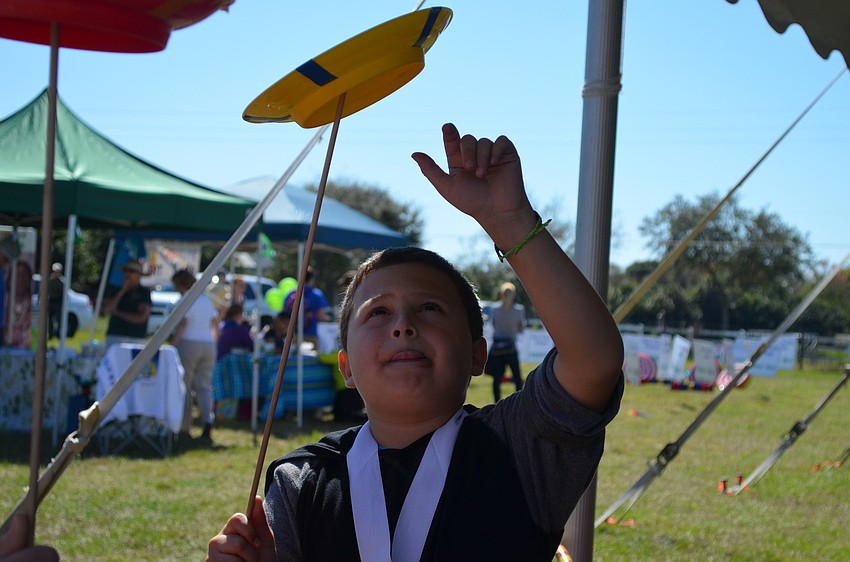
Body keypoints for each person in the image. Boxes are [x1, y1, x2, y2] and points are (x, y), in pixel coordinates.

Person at [207, 124, 624, 562]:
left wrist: (510, 221)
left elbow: (593, 361)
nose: (403, 326)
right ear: (345, 365)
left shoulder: (518, 448)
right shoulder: (301, 481)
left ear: (477, 354)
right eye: (378, 312)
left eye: (429, 309)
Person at [171, 269, 219, 443]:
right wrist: (213, 343)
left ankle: (185, 426)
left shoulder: (186, 299)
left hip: (189, 343)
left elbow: (183, 324)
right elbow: (215, 324)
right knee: (204, 386)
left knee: (185, 385)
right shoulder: (206, 299)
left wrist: (173, 344)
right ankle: (207, 420)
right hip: (208, 345)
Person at [486, 281, 526, 401]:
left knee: (496, 378)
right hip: (510, 346)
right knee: (517, 377)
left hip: (497, 346)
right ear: (513, 294)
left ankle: (496, 403)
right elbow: (521, 328)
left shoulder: (495, 309)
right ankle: (519, 403)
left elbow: (493, 324)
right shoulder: (519, 310)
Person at [101, 259, 152, 347]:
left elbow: (141, 317)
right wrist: (122, 291)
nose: (127, 274)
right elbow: (106, 310)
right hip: (114, 336)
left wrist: (118, 313)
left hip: (135, 338)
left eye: (132, 271)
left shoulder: (143, 293)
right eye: (125, 271)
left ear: (139, 275)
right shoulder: (116, 291)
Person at [283, 267, 328, 350]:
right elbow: (322, 316)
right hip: (312, 334)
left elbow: (284, 315)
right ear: (311, 279)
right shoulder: (317, 294)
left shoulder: (290, 294)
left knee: (294, 358)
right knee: (313, 360)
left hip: (294, 335)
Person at [8, 261, 33, 349]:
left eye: (24, 276)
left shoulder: (32, 305)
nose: (20, 280)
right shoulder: (5, 303)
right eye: (17, 276)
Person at [47, 263, 64, 339]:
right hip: (51, 301)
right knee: (50, 319)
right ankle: (50, 333)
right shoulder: (49, 280)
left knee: (58, 319)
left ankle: (57, 334)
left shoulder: (62, 282)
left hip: (58, 301)